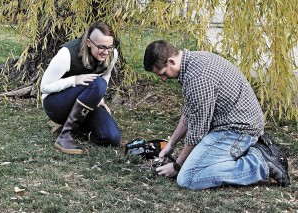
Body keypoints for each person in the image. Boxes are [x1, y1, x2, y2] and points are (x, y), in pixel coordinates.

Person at [143, 40, 290, 190]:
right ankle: (243, 153)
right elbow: (190, 111)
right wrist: (171, 144)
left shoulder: (197, 77)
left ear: (171, 61)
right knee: (194, 166)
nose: (163, 79)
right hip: (232, 124)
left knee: (187, 178)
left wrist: (177, 165)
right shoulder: (194, 60)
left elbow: (198, 132)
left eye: (163, 73)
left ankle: (259, 163)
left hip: (238, 130)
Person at [40, 21, 121, 155]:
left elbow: (106, 76)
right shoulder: (67, 54)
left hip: (83, 104)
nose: (106, 52)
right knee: (98, 83)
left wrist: (98, 99)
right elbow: (44, 87)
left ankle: (74, 125)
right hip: (55, 105)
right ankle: (65, 134)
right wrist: (74, 80)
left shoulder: (112, 54)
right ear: (89, 42)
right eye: (101, 47)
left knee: (112, 137)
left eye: (110, 47)